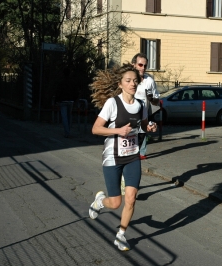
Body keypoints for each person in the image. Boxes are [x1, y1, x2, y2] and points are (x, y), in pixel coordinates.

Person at [88, 63, 157, 251]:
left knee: (131, 197)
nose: (132, 84)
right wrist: (118, 131)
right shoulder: (113, 103)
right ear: (120, 84)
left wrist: (149, 127)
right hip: (113, 157)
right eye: (128, 81)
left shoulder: (141, 105)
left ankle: (121, 235)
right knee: (116, 202)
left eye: (135, 81)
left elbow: (142, 126)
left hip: (132, 156)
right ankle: (100, 201)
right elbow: (95, 129)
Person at [131, 53, 160, 160]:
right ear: (133, 65)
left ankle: (141, 153)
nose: (143, 68)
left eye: (145, 65)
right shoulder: (128, 79)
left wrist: (152, 99)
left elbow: (156, 99)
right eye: (140, 65)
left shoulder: (149, 81)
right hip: (129, 114)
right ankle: (130, 153)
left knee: (142, 133)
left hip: (144, 113)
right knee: (131, 135)